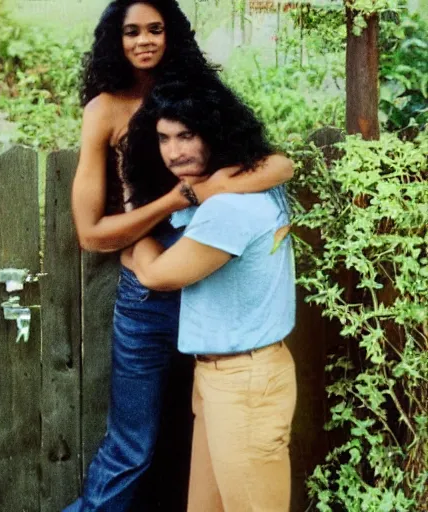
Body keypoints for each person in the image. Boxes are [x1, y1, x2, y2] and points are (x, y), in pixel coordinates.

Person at [66, 1, 295, 511]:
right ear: (115, 40)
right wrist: (174, 201)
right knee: (134, 444)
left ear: (172, 35)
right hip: (152, 283)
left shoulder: (199, 94)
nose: (144, 41)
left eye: (155, 29)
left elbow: (278, 165)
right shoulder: (105, 109)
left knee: (213, 432)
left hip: (215, 277)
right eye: (131, 31)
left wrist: (204, 191)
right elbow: (91, 234)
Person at [125, 82, 297, 512]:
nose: (173, 151)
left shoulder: (228, 208)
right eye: (164, 138)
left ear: (216, 134)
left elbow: (157, 275)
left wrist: (132, 240)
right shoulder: (242, 187)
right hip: (228, 377)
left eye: (187, 135)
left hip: (244, 384)